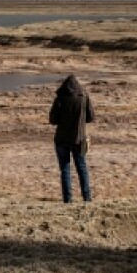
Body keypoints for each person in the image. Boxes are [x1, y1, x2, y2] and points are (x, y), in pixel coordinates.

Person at [49, 73, 93, 203]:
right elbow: (91, 117)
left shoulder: (60, 98)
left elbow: (52, 119)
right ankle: (87, 198)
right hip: (79, 138)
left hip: (61, 139)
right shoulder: (84, 97)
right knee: (82, 168)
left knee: (65, 169)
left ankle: (67, 199)